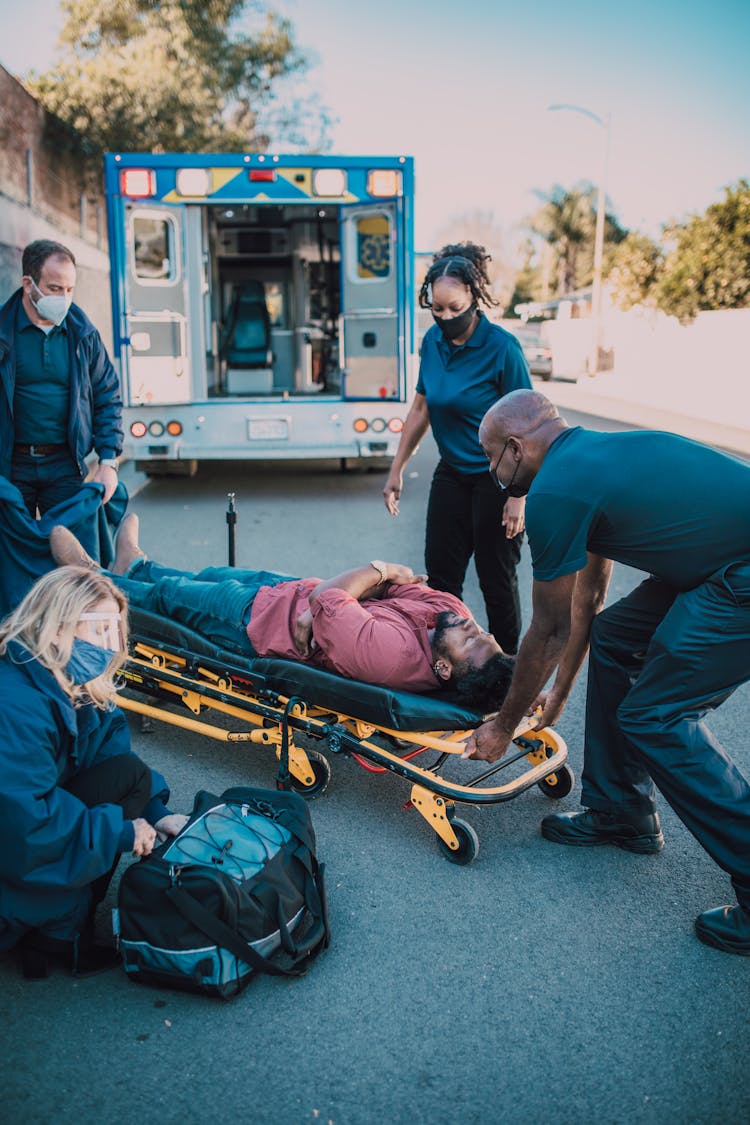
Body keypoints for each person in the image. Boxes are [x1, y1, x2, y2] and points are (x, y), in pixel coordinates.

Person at [464, 387, 750, 957]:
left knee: (658, 717)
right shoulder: (591, 459)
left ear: (515, 449)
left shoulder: (555, 492)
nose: (492, 471)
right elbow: (590, 601)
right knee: (620, 636)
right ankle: (620, 811)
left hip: (738, 576)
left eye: (492, 458)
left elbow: (546, 631)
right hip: (717, 561)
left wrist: (503, 724)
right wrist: (561, 693)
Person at [49, 516, 515, 712]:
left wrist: (376, 570)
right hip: (290, 590)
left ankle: (92, 579)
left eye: (472, 643)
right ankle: (136, 564)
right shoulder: (450, 616)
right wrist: (354, 590)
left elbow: (356, 592)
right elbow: (394, 583)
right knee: (207, 573)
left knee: (172, 598)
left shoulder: (390, 656)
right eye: (486, 633)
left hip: (257, 624)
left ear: (441, 668)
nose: (474, 627)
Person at [0, 566, 188, 979]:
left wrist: (155, 813)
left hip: (31, 819)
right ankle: (52, 927)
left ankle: (59, 926)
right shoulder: (14, 704)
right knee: (109, 816)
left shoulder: (71, 677)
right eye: (100, 628)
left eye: (116, 628)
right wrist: (120, 831)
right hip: (12, 841)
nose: (113, 644)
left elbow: (112, 759)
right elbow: (22, 825)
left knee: (132, 777)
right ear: (53, 627)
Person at [383, 242, 532, 653]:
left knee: (495, 580)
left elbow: (529, 423)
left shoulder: (502, 347)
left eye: (455, 307)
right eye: (438, 308)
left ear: (474, 297)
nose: (446, 317)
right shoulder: (432, 342)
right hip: (452, 473)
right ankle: (452, 662)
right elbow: (421, 407)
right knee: (442, 579)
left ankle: (506, 673)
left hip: (497, 479)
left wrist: (518, 495)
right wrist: (396, 470)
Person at [0, 239, 123, 518]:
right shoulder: (3, 333)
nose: (63, 299)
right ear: (28, 284)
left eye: (69, 290)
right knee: (12, 554)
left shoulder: (84, 335)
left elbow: (107, 398)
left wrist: (107, 462)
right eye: (54, 289)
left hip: (64, 465)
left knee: (68, 550)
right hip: (10, 465)